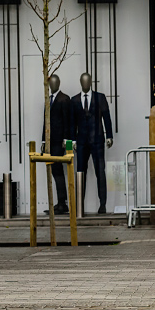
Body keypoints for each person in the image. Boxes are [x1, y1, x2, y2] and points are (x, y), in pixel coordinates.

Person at [72, 73, 113, 214]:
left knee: (100, 172)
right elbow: (72, 124)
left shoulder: (99, 97)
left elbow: (106, 117)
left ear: (91, 82)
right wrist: (72, 142)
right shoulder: (75, 100)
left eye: (87, 81)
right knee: (80, 173)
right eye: (83, 81)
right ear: (80, 82)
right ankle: (79, 205)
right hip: (81, 142)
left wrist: (110, 135)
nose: (85, 84)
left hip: (97, 140)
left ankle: (102, 204)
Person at [42, 74, 73, 215]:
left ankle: (62, 203)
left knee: (58, 171)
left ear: (59, 83)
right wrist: (43, 141)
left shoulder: (64, 99)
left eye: (55, 82)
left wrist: (67, 144)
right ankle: (61, 202)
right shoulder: (48, 99)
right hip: (50, 141)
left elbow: (68, 122)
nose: (52, 85)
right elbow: (46, 121)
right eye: (51, 83)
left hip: (59, 142)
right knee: (55, 171)